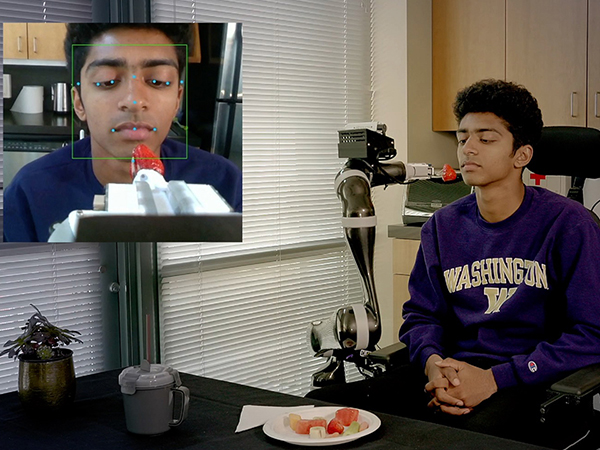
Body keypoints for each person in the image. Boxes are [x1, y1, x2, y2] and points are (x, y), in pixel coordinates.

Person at [307, 79, 600, 448]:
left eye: (486, 139)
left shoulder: (570, 226)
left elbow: (592, 335)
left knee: (456, 441)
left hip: (531, 382)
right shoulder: (442, 227)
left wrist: (495, 379)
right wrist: (433, 364)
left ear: (521, 155)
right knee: (324, 409)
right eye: (463, 138)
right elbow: (421, 316)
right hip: (449, 371)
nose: (468, 149)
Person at [4, 23, 242, 242]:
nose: (134, 101)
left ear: (177, 100)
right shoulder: (30, 191)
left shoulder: (226, 184)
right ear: (79, 103)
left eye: (158, 81)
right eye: (107, 81)